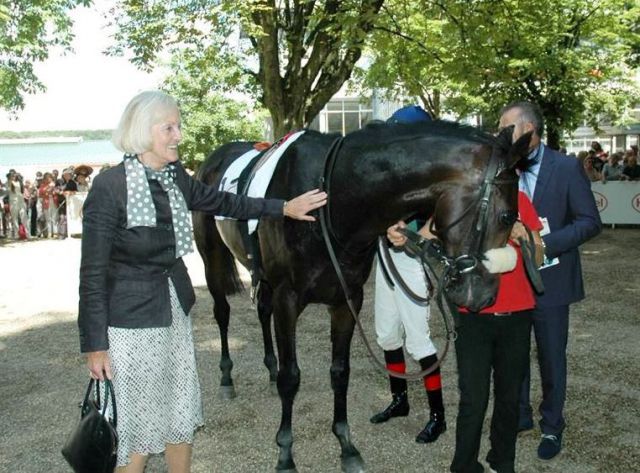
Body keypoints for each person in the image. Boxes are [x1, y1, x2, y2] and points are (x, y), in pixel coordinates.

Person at [78, 90, 327, 473]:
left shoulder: (175, 175)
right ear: (145, 132)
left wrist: (283, 207)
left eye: (179, 126)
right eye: (169, 128)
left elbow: (225, 202)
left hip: (174, 312)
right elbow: (92, 274)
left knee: (179, 411)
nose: (179, 135)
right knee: (139, 426)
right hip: (129, 325)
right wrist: (95, 346)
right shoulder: (110, 187)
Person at [387, 189, 544, 473]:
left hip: (518, 316)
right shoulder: (456, 199)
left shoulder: (518, 198)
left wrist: (523, 234)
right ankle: (464, 466)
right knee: (474, 398)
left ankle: (502, 462)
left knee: (509, 398)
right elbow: (421, 240)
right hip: (472, 318)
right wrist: (402, 237)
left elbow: (541, 255)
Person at [499, 101, 601, 460]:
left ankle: (553, 427)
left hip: (553, 282)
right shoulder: (504, 166)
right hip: (513, 282)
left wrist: (545, 243)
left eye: (506, 128)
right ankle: (521, 415)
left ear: (529, 129)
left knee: (551, 357)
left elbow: (590, 221)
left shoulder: (567, 167)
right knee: (514, 356)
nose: (501, 136)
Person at [369, 104, 447, 445]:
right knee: (386, 334)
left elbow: (439, 220)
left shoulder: (433, 173)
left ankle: (437, 416)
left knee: (418, 339)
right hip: (384, 256)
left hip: (412, 260)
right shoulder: (392, 171)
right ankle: (399, 400)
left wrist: (413, 233)